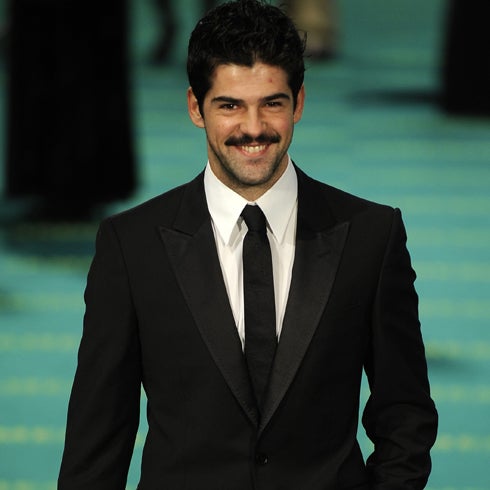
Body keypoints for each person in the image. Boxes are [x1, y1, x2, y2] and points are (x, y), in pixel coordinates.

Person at [58, 1, 438, 489]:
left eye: (272, 104)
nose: (253, 128)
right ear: (195, 107)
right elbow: (96, 439)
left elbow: (404, 412)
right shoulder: (132, 246)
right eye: (230, 105)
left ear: (299, 103)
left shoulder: (371, 236)